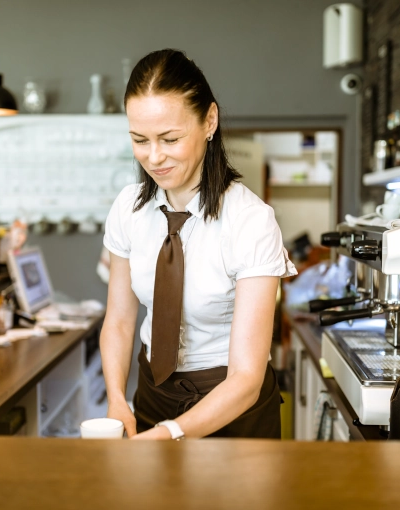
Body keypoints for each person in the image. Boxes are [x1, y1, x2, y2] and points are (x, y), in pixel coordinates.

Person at [101, 49, 297, 440]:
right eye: (140, 140)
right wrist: (116, 399)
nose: (154, 157)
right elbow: (120, 322)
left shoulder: (250, 221)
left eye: (170, 139)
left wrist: (170, 434)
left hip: (232, 408)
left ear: (210, 120)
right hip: (152, 396)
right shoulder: (128, 209)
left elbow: (245, 376)